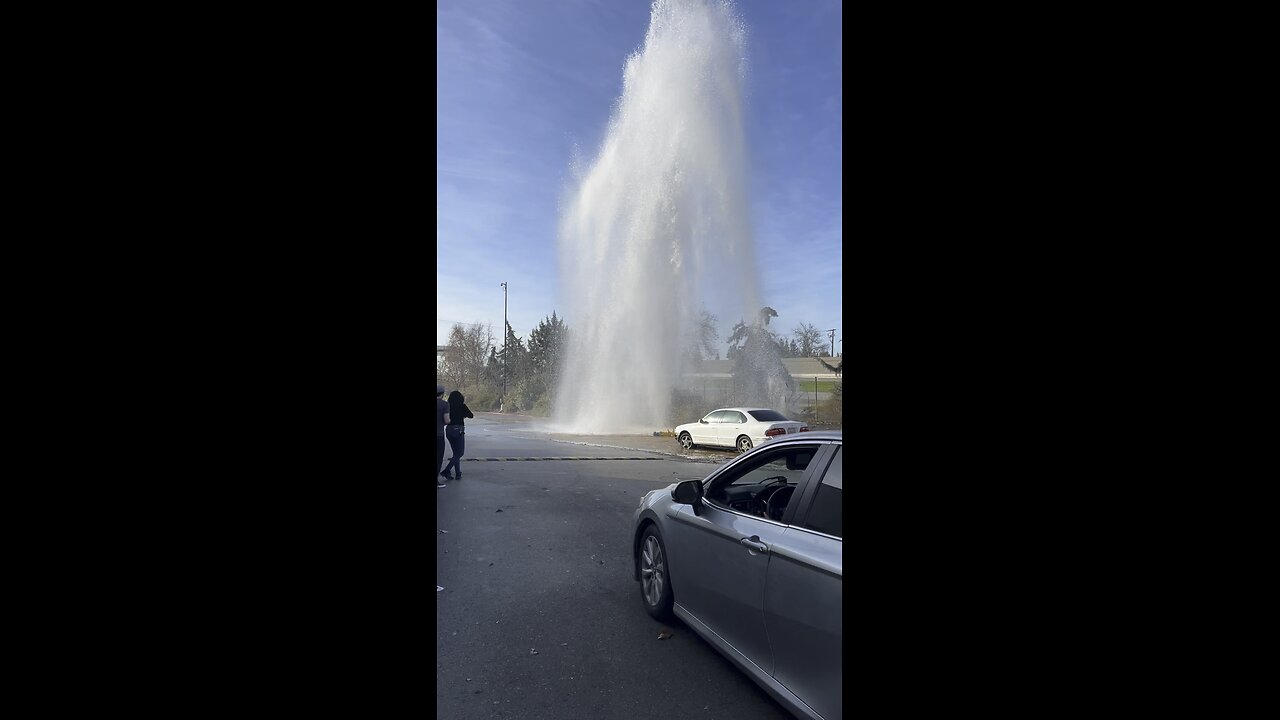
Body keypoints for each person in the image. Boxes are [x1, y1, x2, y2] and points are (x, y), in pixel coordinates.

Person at [441, 390, 475, 480]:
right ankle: (446, 470)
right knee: (460, 453)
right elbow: (471, 415)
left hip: (449, 430)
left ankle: (458, 473)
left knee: (456, 453)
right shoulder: (462, 406)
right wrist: (463, 415)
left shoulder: (448, 406)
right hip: (458, 430)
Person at [436, 384, 451, 487]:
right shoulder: (444, 404)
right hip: (438, 435)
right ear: (442, 394)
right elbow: (446, 420)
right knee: (438, 458)